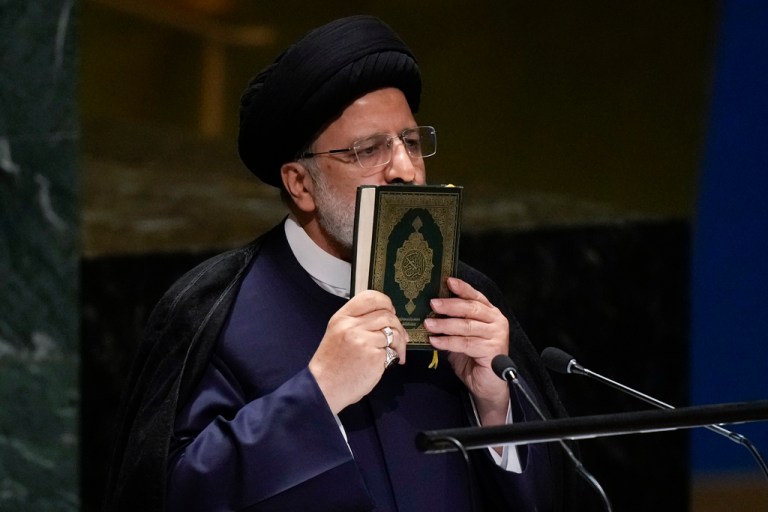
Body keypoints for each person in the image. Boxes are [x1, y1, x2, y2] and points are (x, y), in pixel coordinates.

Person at [104, 15, 582, 512]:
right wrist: (317, 393)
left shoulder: (461, 299)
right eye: (369, 149)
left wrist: (495, 407)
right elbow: (174, 495)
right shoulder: (218, 312)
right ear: (300, 185)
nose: (404, 169)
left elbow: (558, 495)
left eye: (411, 143)